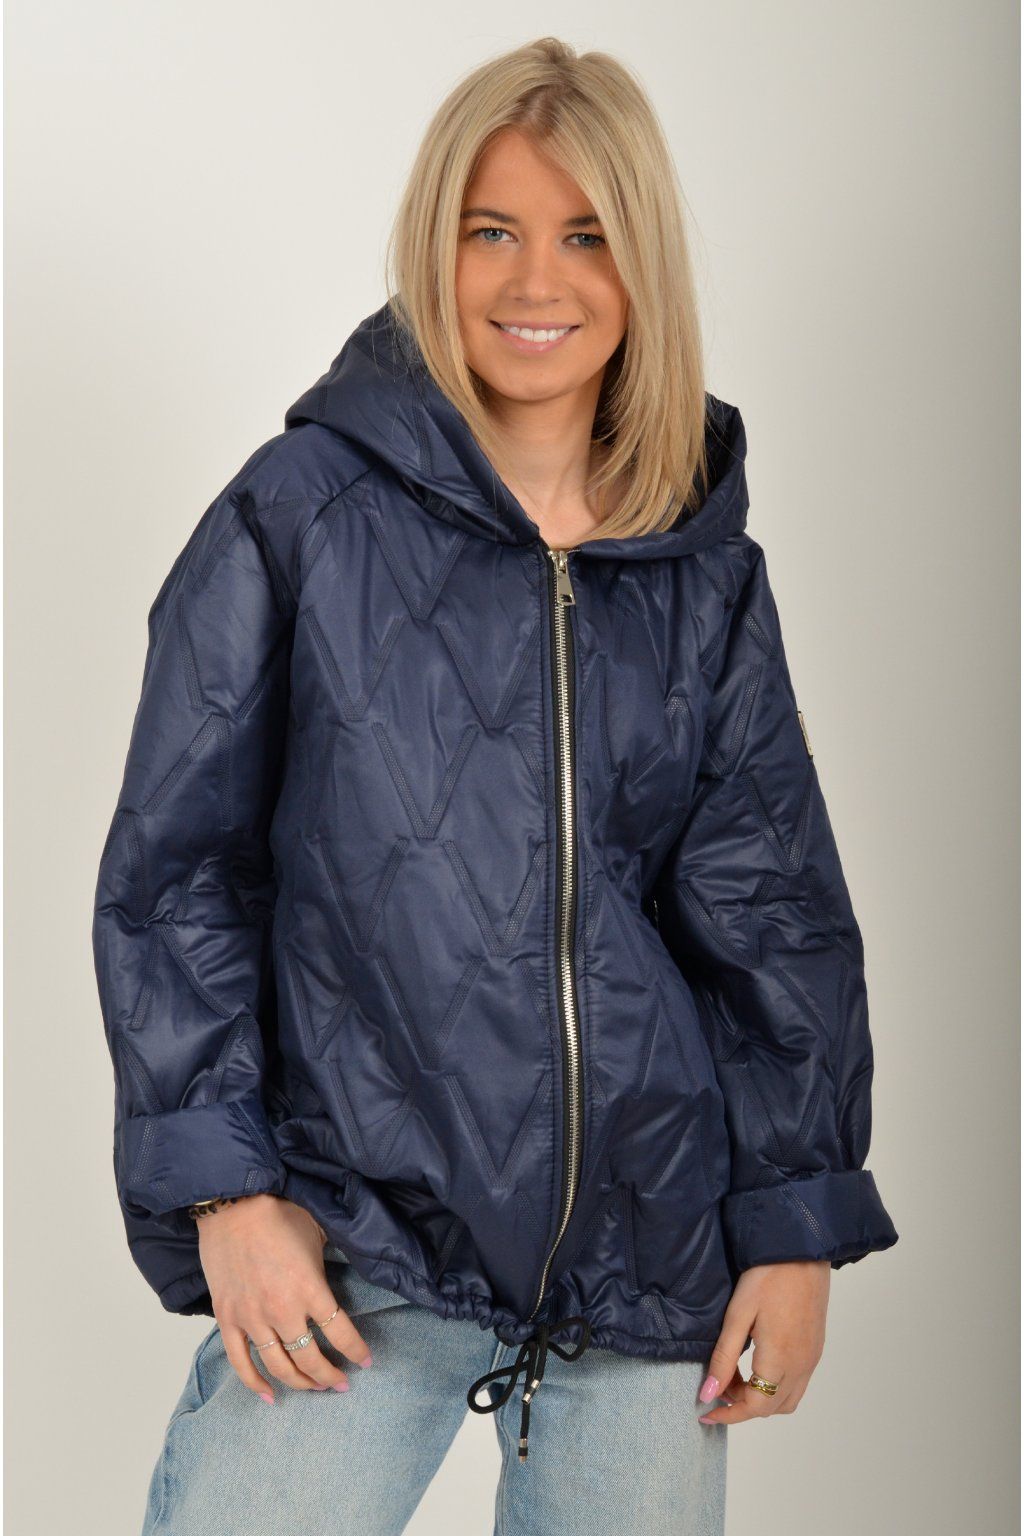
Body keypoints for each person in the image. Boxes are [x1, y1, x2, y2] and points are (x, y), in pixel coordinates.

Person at [91, 35, 899, 1536]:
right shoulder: (300, 515)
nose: (538, 281)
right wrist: (228, 1198)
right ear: (435, 247)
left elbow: (770, 914)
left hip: (646, 1267)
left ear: (642, 265)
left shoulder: (701, 567)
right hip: (355, 1240)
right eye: (493, 232)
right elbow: (177, 873)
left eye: (588, 235)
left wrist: (794, 1228)